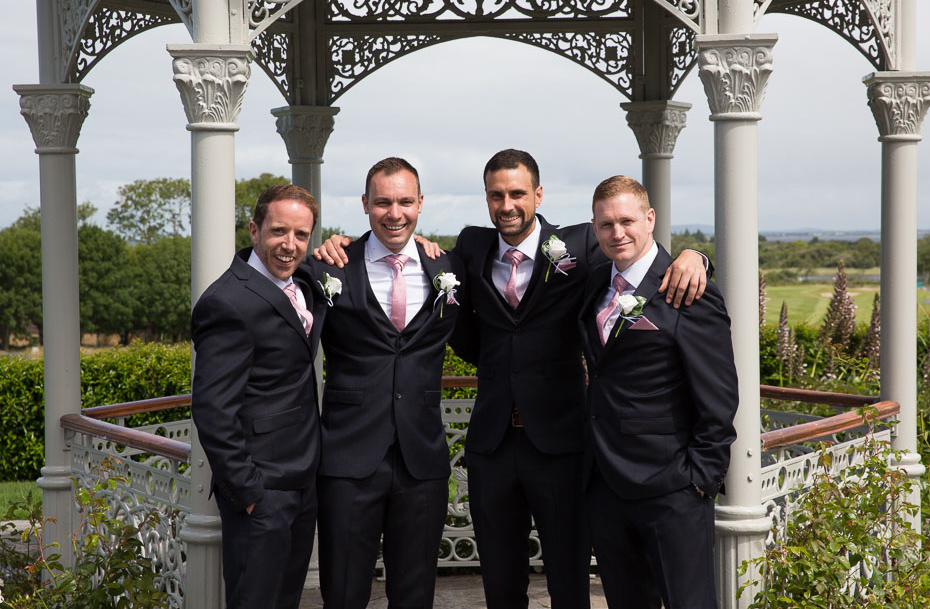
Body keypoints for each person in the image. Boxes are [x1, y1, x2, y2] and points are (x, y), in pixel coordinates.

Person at [316, 149, 710, 608]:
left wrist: (695, 255)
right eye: (496, 195)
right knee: (501, 588)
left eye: (518, 193)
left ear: (538, 194)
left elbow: (637, 257)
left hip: (562, 447)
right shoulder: (470, 250)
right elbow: (453, 317)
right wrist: (341, 243)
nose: (507, 205)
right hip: (491, 448)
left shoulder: (582, 246)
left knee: (568, 585)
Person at [310, 157, 464, 609]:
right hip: (347, 459)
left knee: (415, 595)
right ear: (364, 205)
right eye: (382, 203)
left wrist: (689, 253)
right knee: (342, 592)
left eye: (404, 202)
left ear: (420, 204)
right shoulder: (329, 269)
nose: (394, 213)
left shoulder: (448, 271)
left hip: (422, 461)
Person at [580, 175, 738, 609]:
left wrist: (698, 483)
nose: (618, 233)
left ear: (650, 219)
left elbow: (719, 398)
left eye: (628, 221)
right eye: (606, 224)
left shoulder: (688, 291)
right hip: (607, 488)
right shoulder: (594, 285)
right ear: (594, 229)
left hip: (673, 492)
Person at [191, 184, 326, 609]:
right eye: (278, 231)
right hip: (262, 491)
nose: (290, 245)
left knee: (286, 600)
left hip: (303, 483)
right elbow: (213, 411)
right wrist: (249, 493)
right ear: (254, 230)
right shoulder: (227, 302)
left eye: (301, 235)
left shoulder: (305, 281)